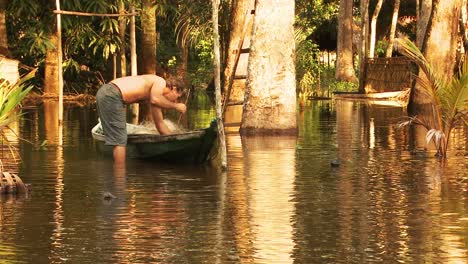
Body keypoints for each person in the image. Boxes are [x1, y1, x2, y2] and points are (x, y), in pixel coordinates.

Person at [96, 74, 187, 164]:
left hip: (110, 95)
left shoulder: (155, 97)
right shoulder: (160, 82)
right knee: (120, 140)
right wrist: (176, 106)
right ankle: (119, 176)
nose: (175, 101)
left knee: (120, 138)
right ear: (174, 89)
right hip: (111, 93)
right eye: (177, 97)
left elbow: (160, 125)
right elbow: (155, 99)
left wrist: (175, 141)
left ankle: (119, 173)